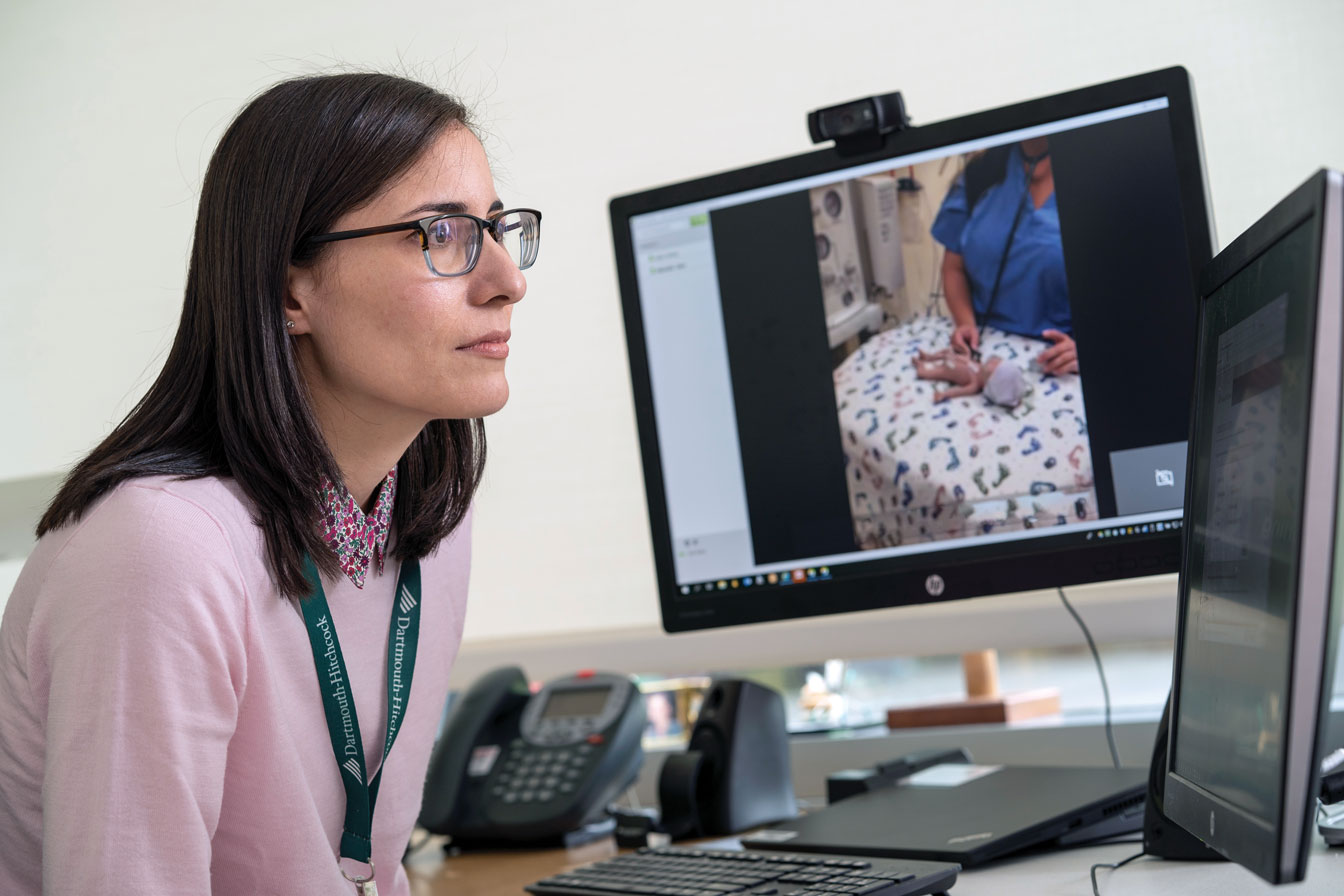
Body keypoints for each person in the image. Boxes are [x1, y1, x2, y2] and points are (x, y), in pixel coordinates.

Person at [0, 73, 538, 895]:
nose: (507, 279)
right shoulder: (161, 552)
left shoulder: (428, 524)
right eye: (442, 233)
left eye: (498, 230)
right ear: (292, 290)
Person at [932, 137, 1078, 375]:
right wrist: (965, 322)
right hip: (983, 346)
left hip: (1061, 360)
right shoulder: (979, 174)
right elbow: (953, 268)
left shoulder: (1101, 173)